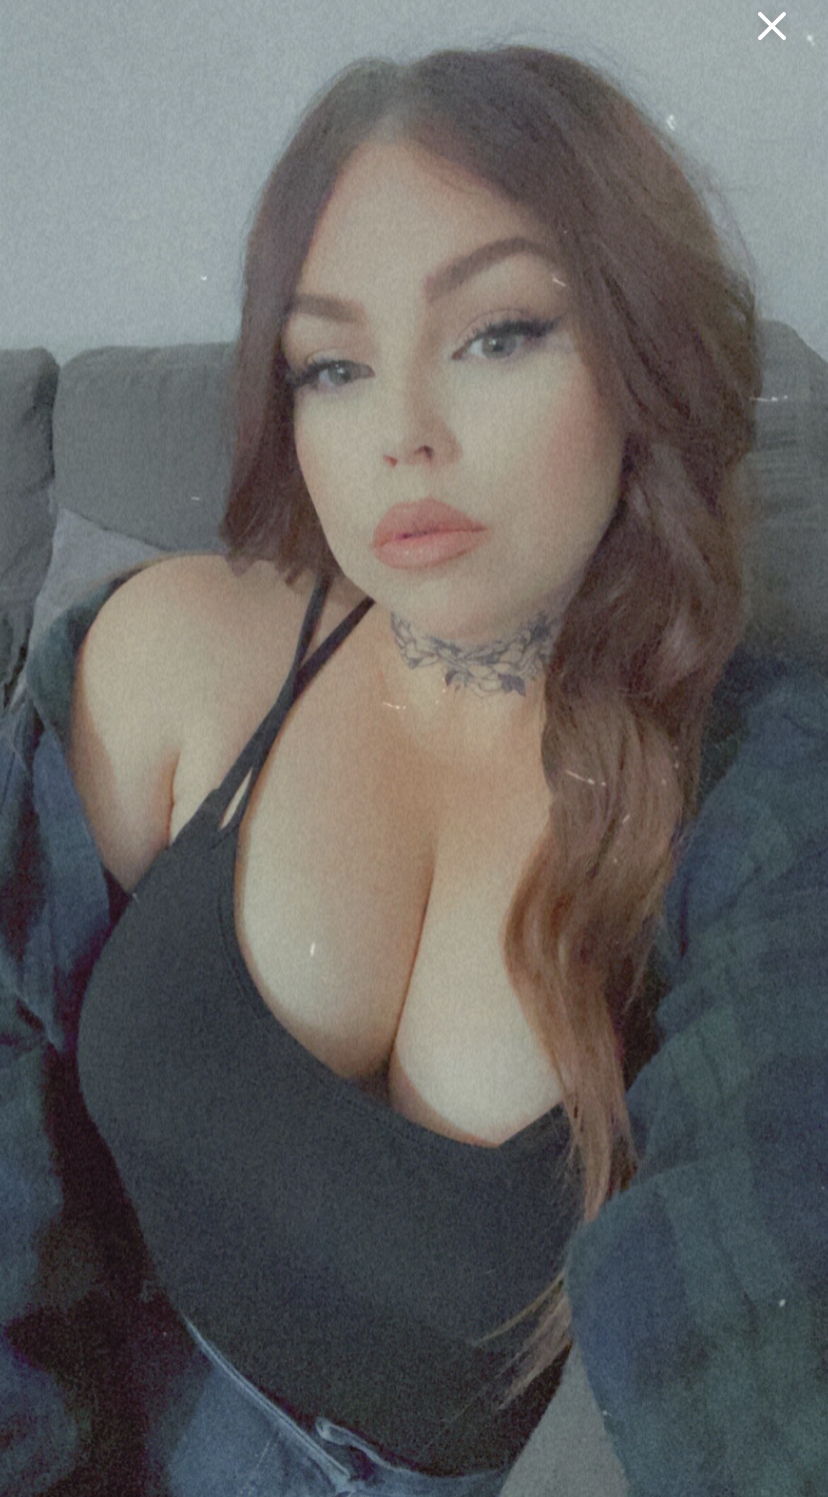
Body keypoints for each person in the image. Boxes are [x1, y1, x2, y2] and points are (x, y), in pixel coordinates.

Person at [2, 42, 827, 1497]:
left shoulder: (763, 798)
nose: (402, 437)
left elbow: (759, 1351)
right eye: (333, 364)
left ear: (643, 356)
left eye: (497, 335)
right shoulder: (175, 650)